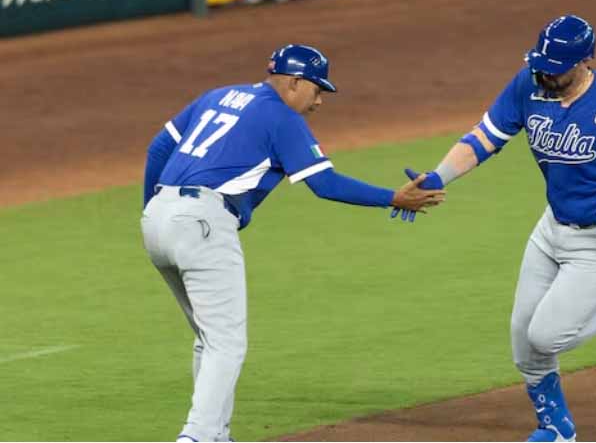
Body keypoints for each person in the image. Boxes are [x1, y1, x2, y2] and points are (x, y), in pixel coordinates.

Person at [394, 15, 596, 441]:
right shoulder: (529, 85)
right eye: (540, 64)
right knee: (522, 340)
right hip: (551, 231)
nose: (544, 73)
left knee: (546, 336)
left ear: (585, 62)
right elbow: (484, 138)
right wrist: (438, 177)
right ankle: (556, 426)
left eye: (555, 67)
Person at [141, 44, 445, 442]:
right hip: (203, 222)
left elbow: (158, 148)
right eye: (317, 89)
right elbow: (325, 184)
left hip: (159, 217)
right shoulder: (280, 116)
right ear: (294, 81)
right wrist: (393, 196)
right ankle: (196, 437)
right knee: (227, 343)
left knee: (209, 338)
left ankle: (215, 435)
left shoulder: (218, 96)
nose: (319, 100)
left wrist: (154, 209)